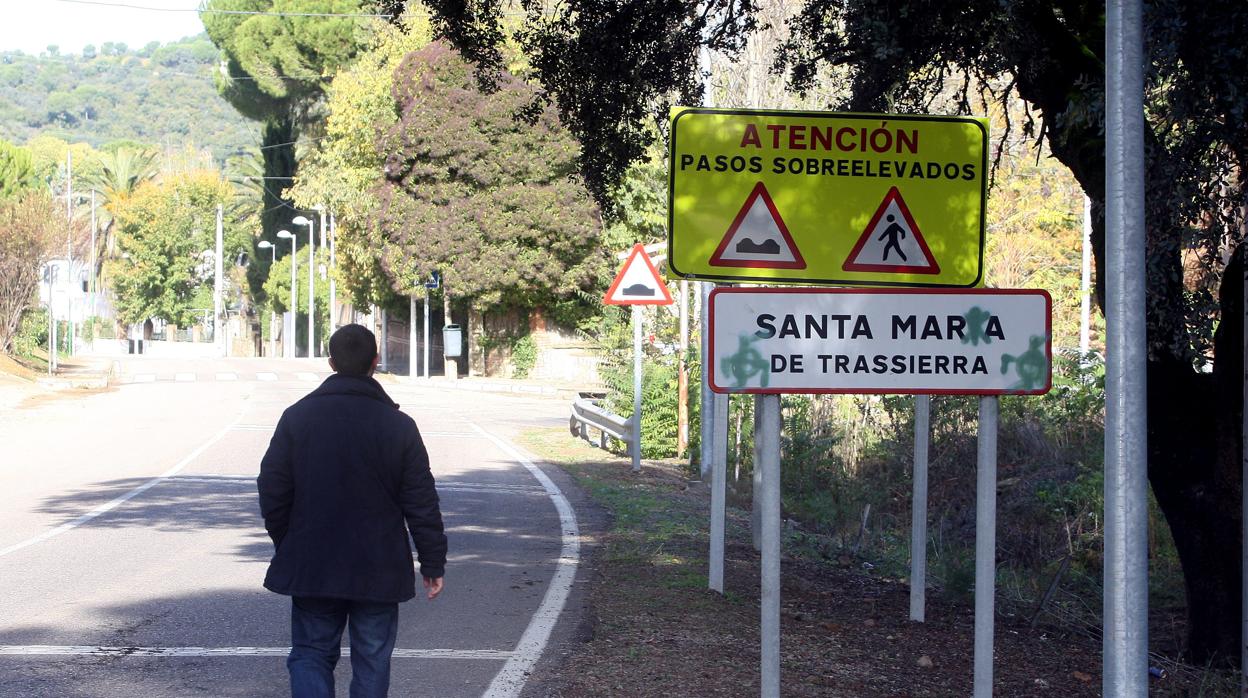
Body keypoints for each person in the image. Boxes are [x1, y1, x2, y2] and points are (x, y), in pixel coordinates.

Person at [258, 323, 447, 698]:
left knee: (310, 653)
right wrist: (433, 563)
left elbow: (273, 489)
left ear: (330, 363)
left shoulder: (297, 418)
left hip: (313, 560)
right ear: (375, 362)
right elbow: (421, 501)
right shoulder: (399, 426)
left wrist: (289, 540)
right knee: (373, 659)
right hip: (378, 566)